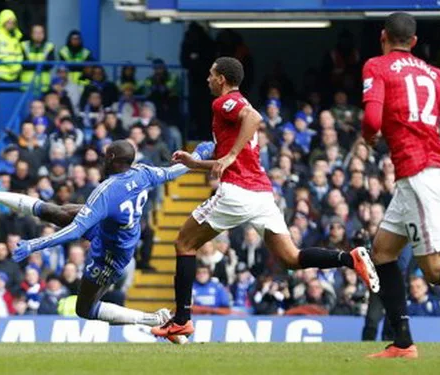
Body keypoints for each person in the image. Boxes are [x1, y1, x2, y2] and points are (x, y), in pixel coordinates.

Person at [151, 57, 378, 339]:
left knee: (184, 243)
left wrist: (231, 154)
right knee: (292, 258)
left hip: (237, 191)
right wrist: (196, 164)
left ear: (221, 78)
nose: (207, 79)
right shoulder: (232, 111)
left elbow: (254, 118)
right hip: (261, 193)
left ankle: (182, 319)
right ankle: (348, 258)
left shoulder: (225, 102)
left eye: (211, 75)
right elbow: (235, 157)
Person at [0, 140, 215, 341]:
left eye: (105, 154)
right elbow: (173, 172)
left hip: (111, 253)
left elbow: (74, 232)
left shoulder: (107, 191)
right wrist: (200, 153)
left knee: (85, 308)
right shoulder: (141, 172)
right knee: (55, 210)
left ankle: (155, 319)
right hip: (112, 231)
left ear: (111, 159)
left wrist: (34, 244)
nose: (101, 157)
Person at [361, 12, 440, 358]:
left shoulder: (376, 66)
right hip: (425, 169)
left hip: (417, 171)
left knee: (434, 272)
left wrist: (369, 137)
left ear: (383, 36)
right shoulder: (435, 74)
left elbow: (372, 119)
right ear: (414, 40)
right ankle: (403, 342)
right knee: (383, 251)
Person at [21, 24, 54, 92]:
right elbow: (24, 64)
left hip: (44, 85)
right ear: (31, 34)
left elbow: (50, 65)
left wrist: (31, 64)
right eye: (36, 32)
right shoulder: (23, 45)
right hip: (27, 85)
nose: (38, 35)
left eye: (41, 32)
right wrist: (41, 64)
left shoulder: (49, 46)